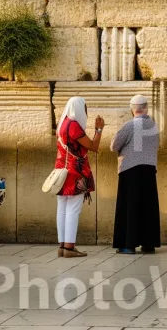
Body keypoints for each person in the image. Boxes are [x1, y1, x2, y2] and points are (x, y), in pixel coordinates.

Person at [111, 95, 161, 255]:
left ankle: (128, 244)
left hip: (130, 169)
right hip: (149, 169)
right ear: (146, 108)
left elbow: (114, 145)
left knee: (130, 207)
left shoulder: (129, 125)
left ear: (132, 109)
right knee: (148, 206)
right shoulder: (153, 126)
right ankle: (148, 244)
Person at [55, 97, 104, 258]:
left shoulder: (63, 123)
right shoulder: (73, 126)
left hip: (61, 171)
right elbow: (93, 147)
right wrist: (98, 130)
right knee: (73, 210)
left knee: (62, 209)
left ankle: (62, 246)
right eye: (85, 108)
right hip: (74, 173)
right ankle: (69, 248)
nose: (86, 112)